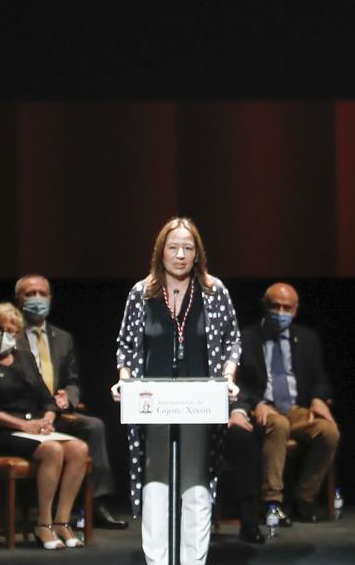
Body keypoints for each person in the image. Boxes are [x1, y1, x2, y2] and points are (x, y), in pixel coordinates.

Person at [111, 217, 241, 565]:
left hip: (200, 399)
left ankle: (192, 561)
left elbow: (232, 341)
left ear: (197, 253)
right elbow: (126, 344)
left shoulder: (214, 290)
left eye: (188, 248)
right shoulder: (142, 292)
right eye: (173, 247)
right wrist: (124, 378)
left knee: (196, 481)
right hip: (153, 399)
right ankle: (157, 560)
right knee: (156, 481)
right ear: (161, 252)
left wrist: (228, 377)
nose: (180, 255)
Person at [0, 302, 91, 550]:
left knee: (79, 449)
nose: (4, 335)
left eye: (11, 330)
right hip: (0, 432)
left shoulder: (25, 358)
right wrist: (22, 424)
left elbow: (46, 398)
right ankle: (43, 524)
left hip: (33, 430)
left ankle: (62, 521)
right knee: (53, 450)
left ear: (18, 333)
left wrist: (47, 420)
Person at [14, 273, 128, 530]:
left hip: (58, 415)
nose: (37, 299)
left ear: (51, 298)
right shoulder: (10, 335)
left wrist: (68, 397)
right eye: (30, 294)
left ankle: (96, 503)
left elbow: (74, 380)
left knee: (94, 425)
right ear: (19, 300)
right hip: (23, 417)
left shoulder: (63, 338)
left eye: (42, 293)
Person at [228, 282, 339, 536]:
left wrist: (319, 398)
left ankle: (303, 498)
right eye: (275, 306)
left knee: (328, 432)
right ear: (264, 306)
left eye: (286, 307)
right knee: (279, 425)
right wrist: (256, 403)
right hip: (265, 409)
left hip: (296, 408)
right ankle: (273, 503)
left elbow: (320, 377)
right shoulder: (246, 338)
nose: (280, 312)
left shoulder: (308, 339)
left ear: (295, 310)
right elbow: (237, 382)